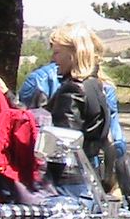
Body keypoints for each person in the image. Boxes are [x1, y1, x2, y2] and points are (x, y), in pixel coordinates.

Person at [45, 23, 110, 196]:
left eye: (57, 52)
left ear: (73, 54)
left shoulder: (72, 89)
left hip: (67, 180)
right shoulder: (95, 84)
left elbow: (63, 143)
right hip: (88, 174)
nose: (53, 59)